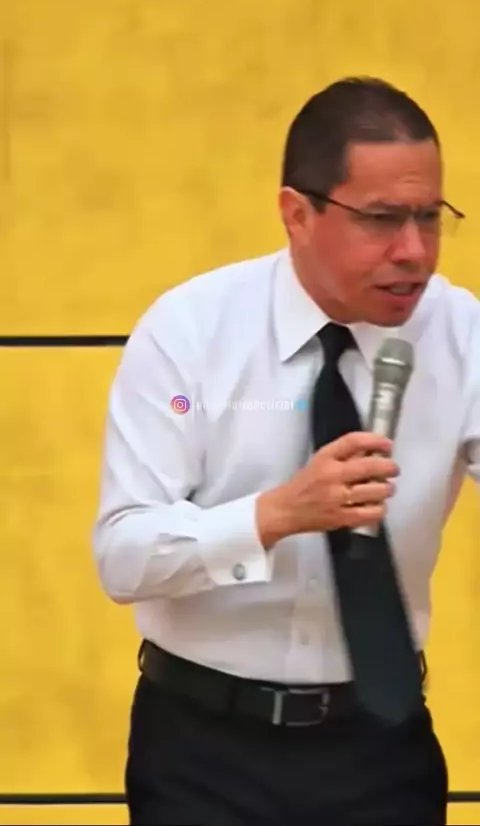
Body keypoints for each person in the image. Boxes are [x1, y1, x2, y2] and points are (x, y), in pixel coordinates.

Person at [92, 76, 479, 826]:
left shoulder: (461, 333)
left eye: (430, 218)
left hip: (382, 747)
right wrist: (275, 514)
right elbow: (123, 555)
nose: (413, 251)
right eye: (382, 219)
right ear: (297, 213)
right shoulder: (191, 333)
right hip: (203, 750)